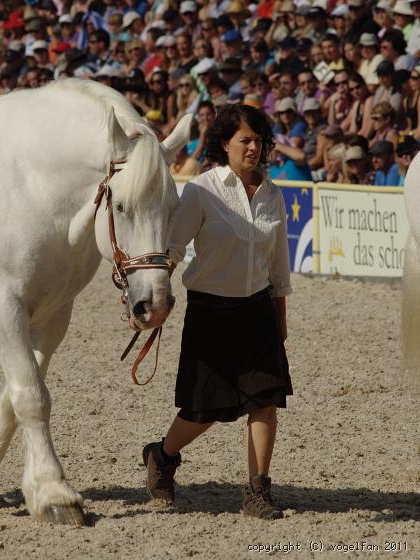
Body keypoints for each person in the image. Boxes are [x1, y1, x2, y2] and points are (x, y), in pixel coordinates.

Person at [143, 104, 293, 520]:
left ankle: (257, 492)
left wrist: (280, 318)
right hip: (210, 312)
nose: (253, 147)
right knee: (203, 410)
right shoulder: (202, 190)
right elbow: (172, 248)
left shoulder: (273, 194)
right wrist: (155, 298)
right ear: (224, 143)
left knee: (265, 401)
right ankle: (162, 455)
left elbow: (278, 264)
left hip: (258, 311)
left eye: (258, 140)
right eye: (244, 140)